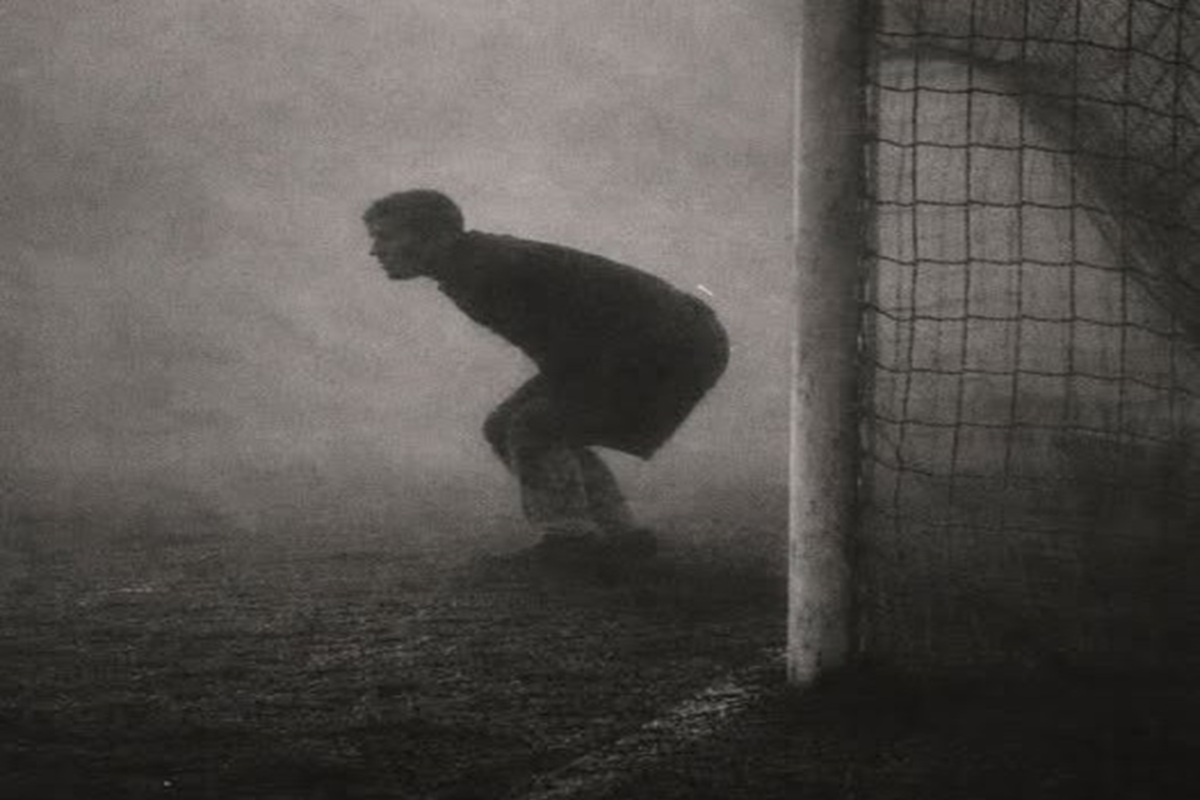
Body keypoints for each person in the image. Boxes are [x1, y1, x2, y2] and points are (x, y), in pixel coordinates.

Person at [363, 189, 728, 564]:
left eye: (385, 237)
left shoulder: (485, 269)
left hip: (669, 344)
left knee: (535, 424)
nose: (375, 251)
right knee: (519, 425)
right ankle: (617, 535)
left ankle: (573, 542)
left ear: (436, 235)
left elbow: (572, 338)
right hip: (664, 340)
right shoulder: (473, 264)